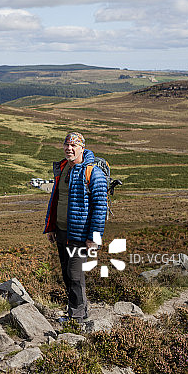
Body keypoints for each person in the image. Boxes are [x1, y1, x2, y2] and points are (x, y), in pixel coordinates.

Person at [43, 131, 108, 323]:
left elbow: (100, 208)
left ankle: (77, 319)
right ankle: (77, 311)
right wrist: (51, 227)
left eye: (74, 146)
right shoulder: (63, 169)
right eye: (66, 145)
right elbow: (56, 200)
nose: (69, 149)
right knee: (66, 274)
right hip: (62, 232)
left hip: (80, 235)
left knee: (75, 275)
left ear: (82, 148)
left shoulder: (93, 173)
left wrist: (93, 238)